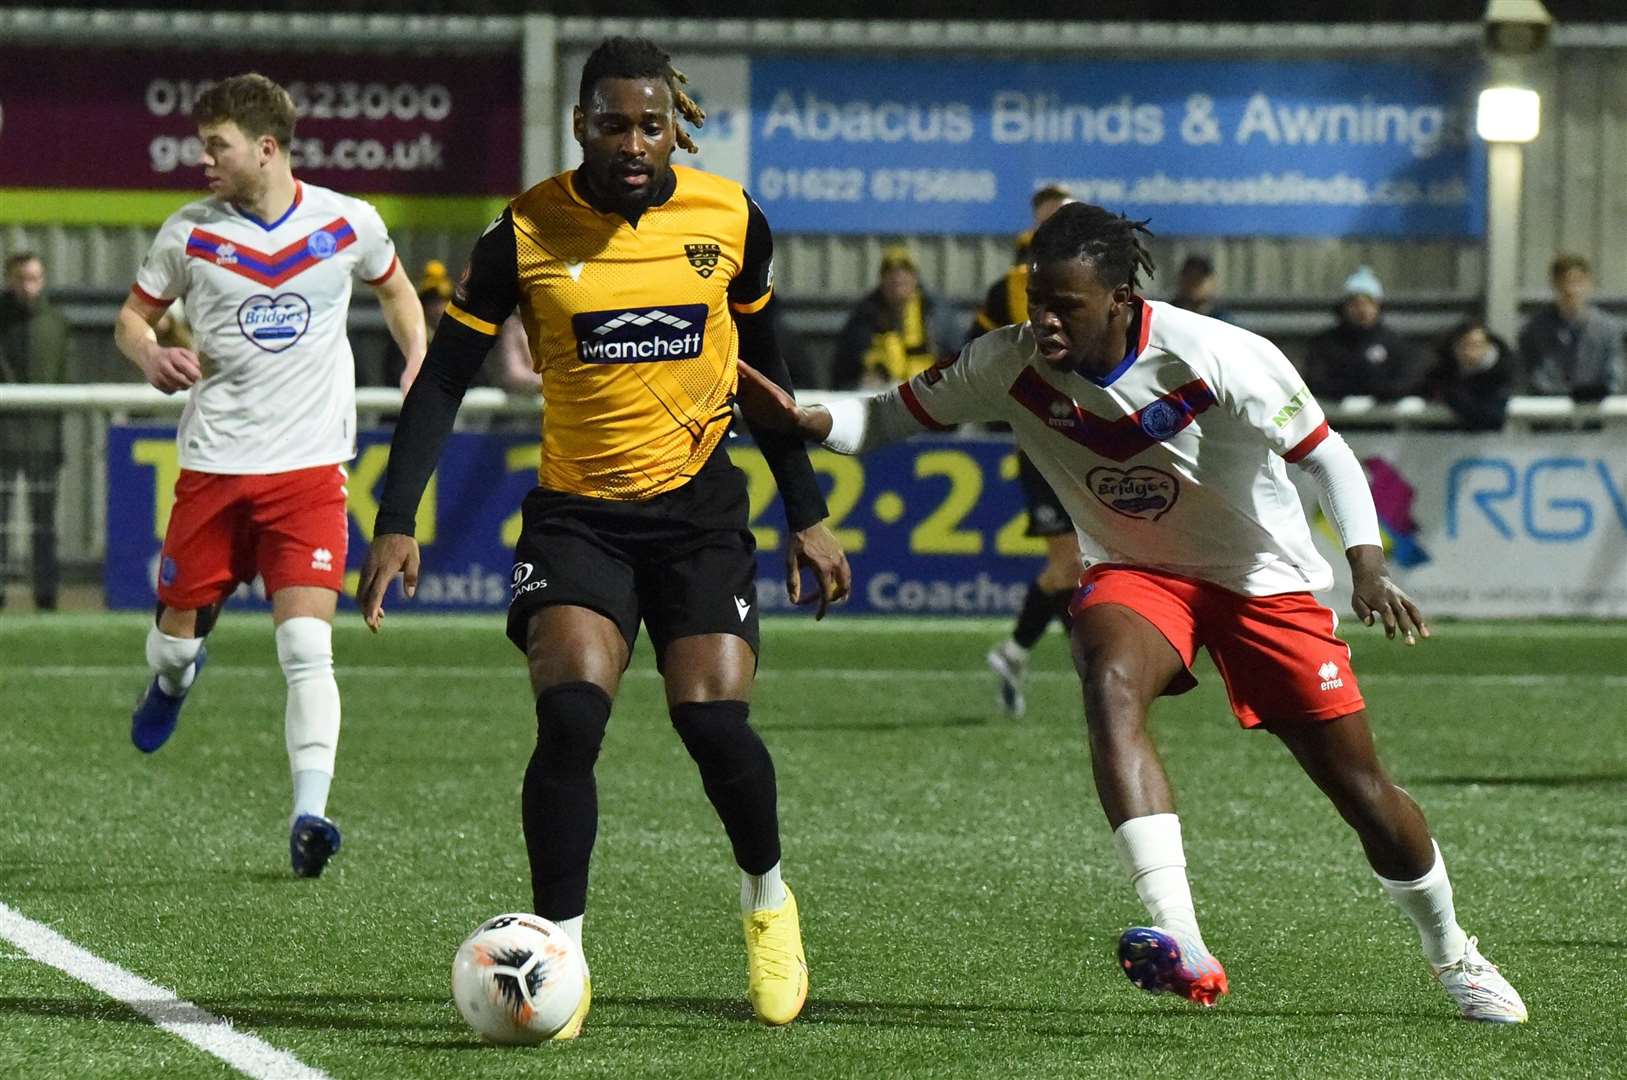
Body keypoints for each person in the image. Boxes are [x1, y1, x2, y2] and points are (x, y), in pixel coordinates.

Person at [740, 202, 1527, 1024]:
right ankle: (1179, 934)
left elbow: (1326, 453)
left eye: (1064, 305)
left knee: (1359, 788)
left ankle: (1453, 954)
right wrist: (806, 416)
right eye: (1035, 301)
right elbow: (887, 415)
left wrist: (1365, 567)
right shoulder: (1007, 362)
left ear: (1119, 298)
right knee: (1108, 680)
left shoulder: (1218, 354)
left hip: (1263, 580)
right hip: (1138, 570)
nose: (1042, 320)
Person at [356, 36, 850, 1037]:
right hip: (580, 516)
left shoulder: (729, 219)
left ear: (677, 125)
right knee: (572, 715)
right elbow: (444, 375)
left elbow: (769, 374)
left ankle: (767, 904)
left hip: (699, 513)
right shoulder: (525, 230)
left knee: (713, 726)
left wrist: (806, 511)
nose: (634, 142)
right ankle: (560, 952)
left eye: (652, 124)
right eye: (614, 123)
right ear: (581, 122)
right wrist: (396, 517)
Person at [112, 73, 426, 878]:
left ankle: (310, 815)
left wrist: (418, 353)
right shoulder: (188, 232)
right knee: (173, 648)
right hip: (214, 468)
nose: (203, 160)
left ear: (266, 148)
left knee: (305, 649)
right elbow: (132, 318)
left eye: (215, 146)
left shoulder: (346, 223)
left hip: (310, 471)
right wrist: (151, 354)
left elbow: (395, 289)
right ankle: (175, 682)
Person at [966, 185, 1080, 717]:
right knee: (1072, 562)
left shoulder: (1094, 279)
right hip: (1044, 439)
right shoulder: (1016, 287)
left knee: (1084, 566)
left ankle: (1022, 655)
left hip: (1090, 440)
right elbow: (979, 353)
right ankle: (1043, 655)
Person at [0, 252, 72, 612]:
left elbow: (63, 380)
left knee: (44, 524)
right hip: (3, 440)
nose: (29, 285)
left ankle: (46, 597)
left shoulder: (56, 323)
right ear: (9, 280)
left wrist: (58, 439)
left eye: (35, 277)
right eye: (22, 278)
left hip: (43, 439)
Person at [831, 245, 960, 389]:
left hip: (929, 394)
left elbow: (959, 364)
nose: (897, 277)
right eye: (889, 271)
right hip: (879, 396)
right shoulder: (864, 316)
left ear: (915, 277)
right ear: (881, 279)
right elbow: (844, 370)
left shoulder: (936, 313)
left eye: (905, 270)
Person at [1303, 266, 1421, 402]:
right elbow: (1316, 381)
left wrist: (1376, 390)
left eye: (1368, 303)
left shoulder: (1396, 344)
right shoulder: (1324, 344)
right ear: (1344, 307)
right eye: (1355, 303)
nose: (1362, 310)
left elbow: (1405, 382)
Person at [1517, 253, 1624, 401]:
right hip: (1548, 411)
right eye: (1564, 282)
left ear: (1589, 283)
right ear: (1553, 284)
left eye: (1577, 282)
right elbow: (1528, 376)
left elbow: (1614, 375)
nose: (1571, 289)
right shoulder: (1534, 329)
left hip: (1595, 411)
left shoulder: (1608, 328)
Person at [1421, 318, 1514, 431]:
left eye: (1477, 345)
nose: (1470, 352)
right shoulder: (1441, 371)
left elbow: (1492, 417)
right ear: (1455, 347)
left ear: (1488, 346)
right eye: (1465, 345)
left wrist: (1452, 397)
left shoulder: (1502, 373)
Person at [1169, 254, 1235, 324]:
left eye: (1200, 278)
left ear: (1213, 283)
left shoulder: (1222, 319)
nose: (1194, 283)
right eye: (1189, 277)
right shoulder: (1168, 314)